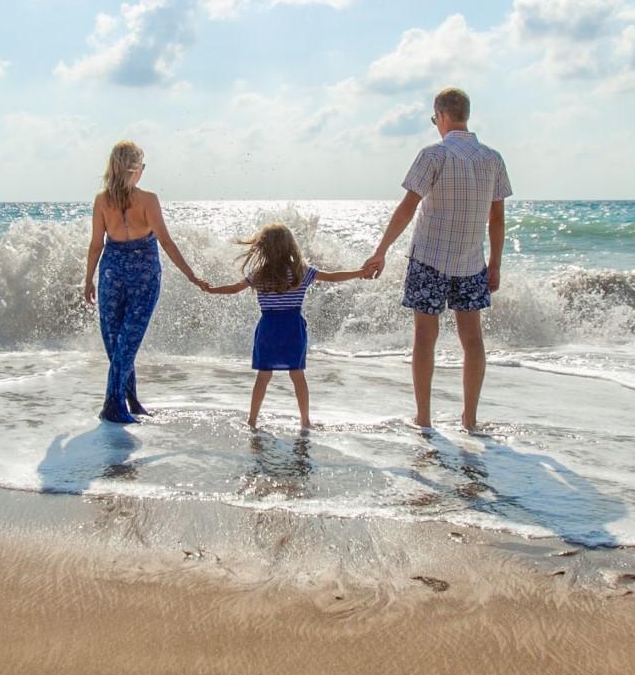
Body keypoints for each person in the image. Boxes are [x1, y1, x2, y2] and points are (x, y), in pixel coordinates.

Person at [363, 88, 511, 433]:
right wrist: (496, 264)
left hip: (429, 258)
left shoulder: (434, 155)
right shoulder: (493, 158)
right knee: (472, 341)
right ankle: (470, 419)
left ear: (440, 115)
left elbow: (407, 207)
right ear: (466, 115)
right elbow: (498, 219)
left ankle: (424, 418)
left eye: (434, 119)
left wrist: (381, 250)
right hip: (472, 262)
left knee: (424, 339)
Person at [202, 223, 370, 430]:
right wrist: (360, 272)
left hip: (268, 329)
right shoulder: (301, 271)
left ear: (263, 248)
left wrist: (211, 290)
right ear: (290, 246)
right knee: (297, 375)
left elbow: (235, 289)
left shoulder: (259, 274)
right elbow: (332, 277)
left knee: (263, 376)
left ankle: (252, 420)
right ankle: (305, 421)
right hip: (292, 329)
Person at [84, 141, 203, 424]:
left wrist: (88, 278)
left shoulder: (102, 200)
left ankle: (130, 400)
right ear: (135, 169)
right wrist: (191, 274)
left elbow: (96, 245)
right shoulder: (148, 200)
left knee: (120, 342)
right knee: (124, 342)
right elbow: (165, 240)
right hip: (144, 275)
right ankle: (113, 404)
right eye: (143, 165)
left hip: (112, 273)